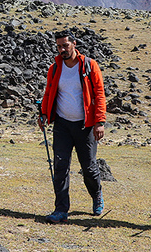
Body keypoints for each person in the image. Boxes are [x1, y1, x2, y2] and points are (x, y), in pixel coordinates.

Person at [38, 30, 107, 223]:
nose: (62, 50)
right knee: (60, 166)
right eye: (59, 46)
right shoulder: (54, 68)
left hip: (85, 126)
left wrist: (100, 122)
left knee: (89, 168)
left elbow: (99, 94)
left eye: (65, 46)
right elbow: (49, 92)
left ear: (74, 44)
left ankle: (96, 194)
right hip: (62, 124)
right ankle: (61, 210)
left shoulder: (90, 66)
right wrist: (44, 113)